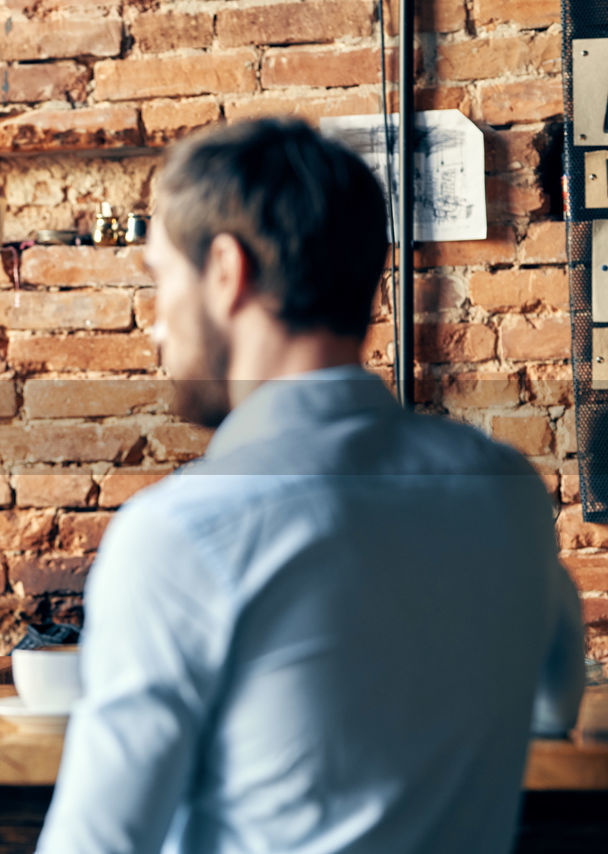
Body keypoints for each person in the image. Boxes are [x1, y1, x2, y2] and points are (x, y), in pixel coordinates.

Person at [36, 118, 585, 853]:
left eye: (160, 279)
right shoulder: (505, 490)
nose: (156, 329)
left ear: (227, 272)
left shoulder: (180, 535)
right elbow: (553, 706)